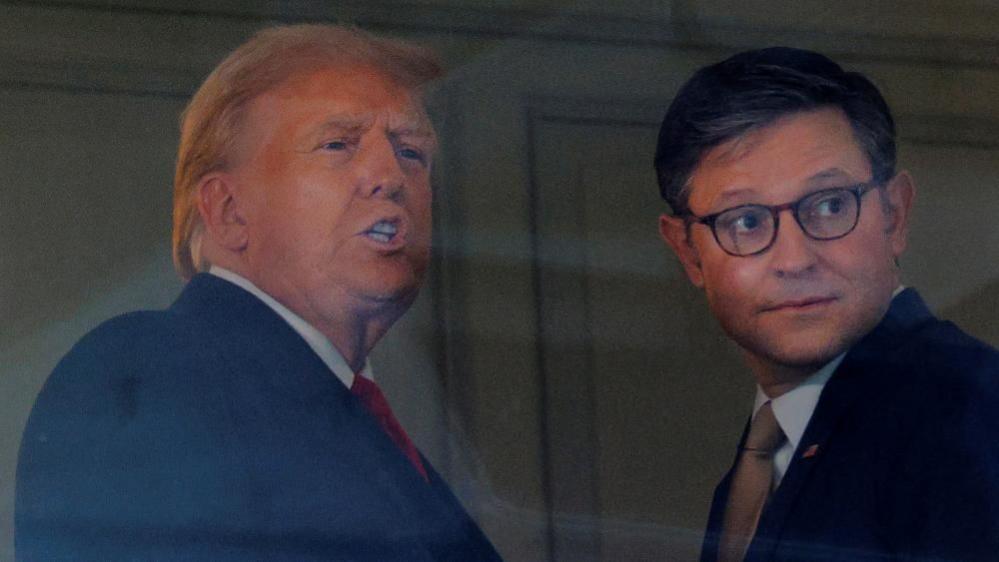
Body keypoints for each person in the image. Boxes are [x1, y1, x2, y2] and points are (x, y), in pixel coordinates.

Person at [16, 24, 502, 562]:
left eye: (411, 151)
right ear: (228, 212)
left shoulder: (358, 417)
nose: (389, 175)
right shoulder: (147, 369)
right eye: (338, 143)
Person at [655, 47, 999, 562]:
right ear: (688, 251)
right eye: (745, 221)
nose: (794, 259)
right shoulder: (760, 462)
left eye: (830, 204)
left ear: (895, 215)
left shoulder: (974, 417)